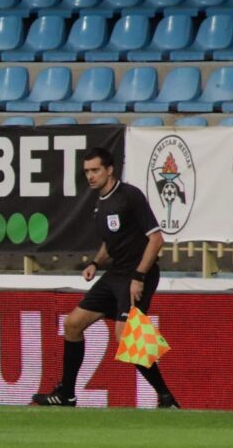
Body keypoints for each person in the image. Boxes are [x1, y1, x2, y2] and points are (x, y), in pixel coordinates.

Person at [32, 146, 180, 409]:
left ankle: (166, 397)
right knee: (73, 324)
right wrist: (95, 263)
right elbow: (110, 243)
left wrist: (139, 276)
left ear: (109, 169)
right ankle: (67, 394)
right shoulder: (100, 203)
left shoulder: (129, 196)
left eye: (95, 170)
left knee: (126, 337)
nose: (90, 176)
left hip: (137, 274)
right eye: (87, 171)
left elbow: (156, 240)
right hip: (115, 274)